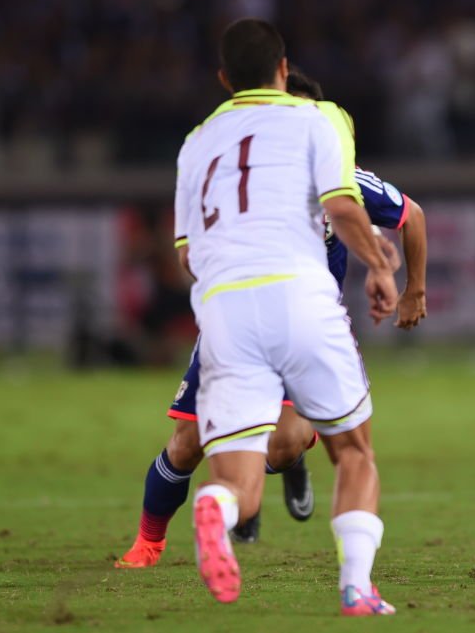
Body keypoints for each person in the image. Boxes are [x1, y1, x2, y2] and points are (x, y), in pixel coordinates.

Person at [115, 67, 427, 568]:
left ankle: (279, 474)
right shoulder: (239, 178)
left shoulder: (340, 176)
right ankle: (148, 544)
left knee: (282, 447)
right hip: (239, 319)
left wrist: (409, 287)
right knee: (187, 443)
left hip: (304, 324)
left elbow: (408, 214)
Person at [174, 18, 407, 613]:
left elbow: (186, 256)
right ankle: (356, 587)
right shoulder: (317, 118)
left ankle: (217, 506)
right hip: (300, 295)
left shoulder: (197, 142)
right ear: (283, 69)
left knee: (238, 479)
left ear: (224, 79)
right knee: (352, 451)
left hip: (224, 312)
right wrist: (379, 267)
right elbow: (342, 205)